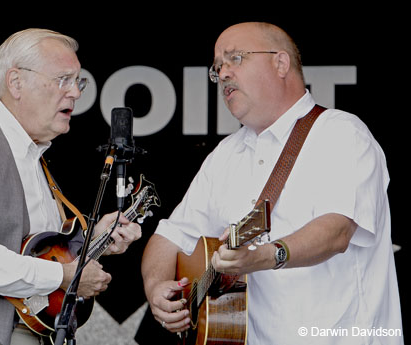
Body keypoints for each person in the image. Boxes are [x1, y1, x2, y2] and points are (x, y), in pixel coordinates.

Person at [141, 22, 403, 345]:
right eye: (217, 67)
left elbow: (337, 230)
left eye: (235, 58)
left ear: (280, 63)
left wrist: (265, 256)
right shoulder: (226, 155)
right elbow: (169, 237)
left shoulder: (341, 133)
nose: (222, 73)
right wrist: (156, 290)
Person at [0, 28, 141, 345]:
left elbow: (34, 251)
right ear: (16, 82)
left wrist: (94, 239)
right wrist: (63, 276)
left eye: (79, 82)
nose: (75, 92)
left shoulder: (33, 160)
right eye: (64, 79)